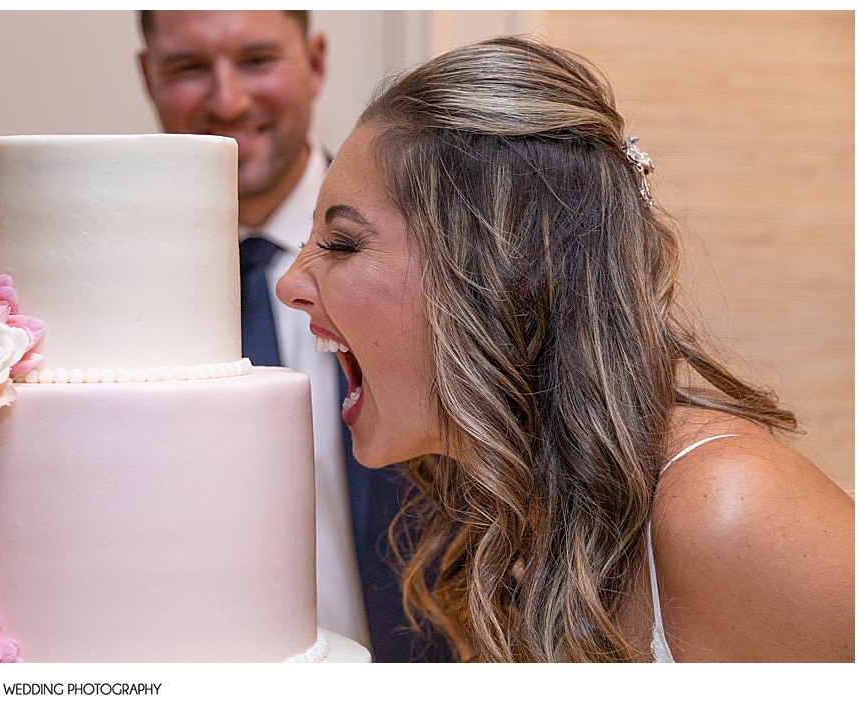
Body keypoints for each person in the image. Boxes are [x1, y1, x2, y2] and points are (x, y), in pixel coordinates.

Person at [276, 35, 855, 662]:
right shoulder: (503, 511)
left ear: (502, 268)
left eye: (341, 244)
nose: (290, 284)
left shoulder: (727, 507)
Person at [137, 10, 450, 662]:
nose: (228, 100)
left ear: (314, 62)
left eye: (257, 60)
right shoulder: (113, 287)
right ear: (149, 76)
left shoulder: (432, 239)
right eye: (190, 67)